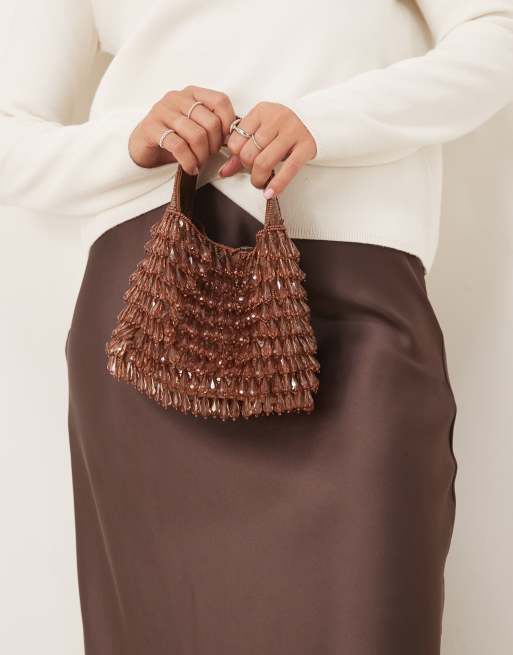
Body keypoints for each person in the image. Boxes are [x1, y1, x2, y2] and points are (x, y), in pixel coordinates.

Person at [2, 1, 513, 653]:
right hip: (155, 318)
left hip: (355, 306)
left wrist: (326, 122)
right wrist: (131, 140)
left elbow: (496, 33)